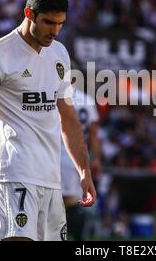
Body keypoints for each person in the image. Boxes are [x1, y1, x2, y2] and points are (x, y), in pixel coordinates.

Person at [0, 0, 96, 241]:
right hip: (13, 174)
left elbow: (68, 119)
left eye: (60, 24)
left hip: (51, 179)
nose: (55, 31)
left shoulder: (59, 53)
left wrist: (84, 171)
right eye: (48, 22)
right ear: (29, 14)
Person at [61, 87, 102, 240]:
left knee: (64, 202)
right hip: (80, 157)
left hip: (59, 153)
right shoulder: (87, 100)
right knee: (73, 201)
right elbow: (93, 134)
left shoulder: (55, 94)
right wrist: (96, 158)